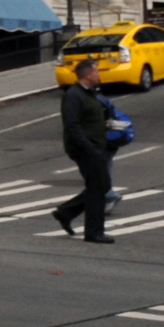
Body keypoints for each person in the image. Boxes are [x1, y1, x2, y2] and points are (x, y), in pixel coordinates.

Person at [53, 56, 114, 243]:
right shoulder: (73, 95)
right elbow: (72, 126)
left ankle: (65, 212)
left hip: (96, 146)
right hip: (85, 149)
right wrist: (89, 147)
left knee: (102, 186)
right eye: (96, 71)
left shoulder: (89, 94)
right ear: (87, 74)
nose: (99, 74)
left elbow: (89, 120)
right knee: (97, 189)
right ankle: (94, 232)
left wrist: (106, 125)